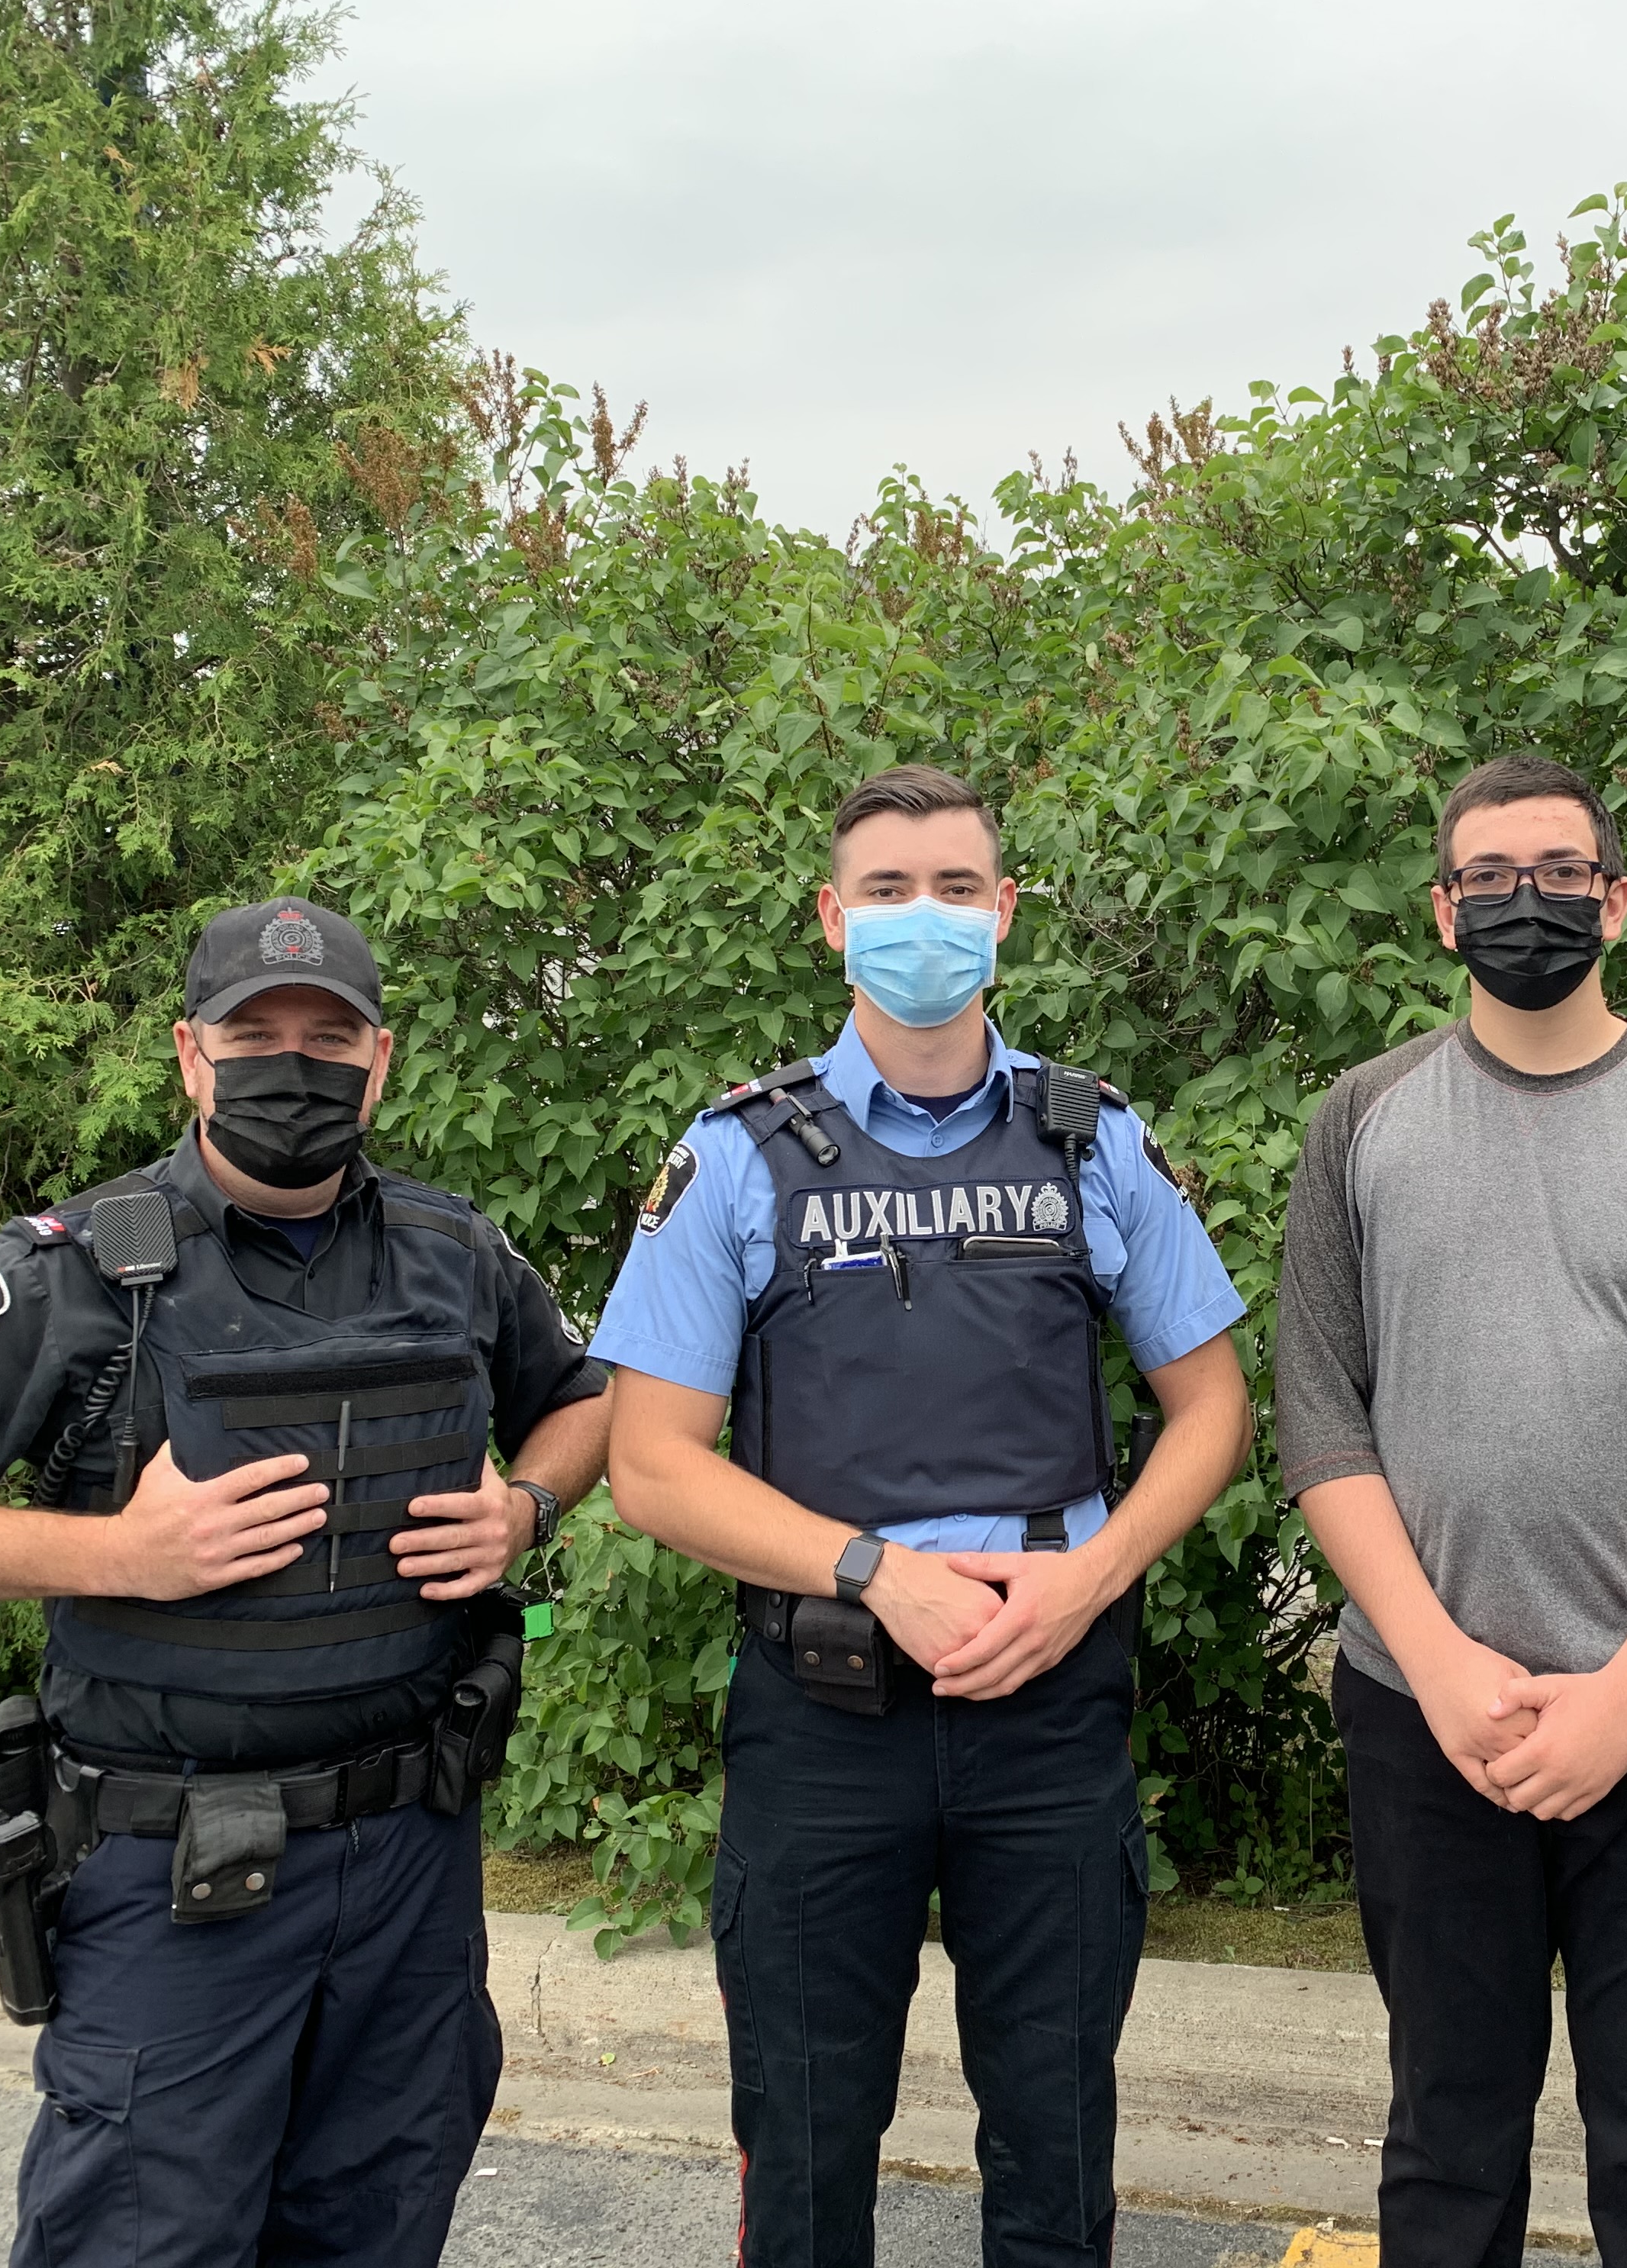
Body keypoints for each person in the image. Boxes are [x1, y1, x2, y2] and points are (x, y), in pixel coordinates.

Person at [0, 897, 611, 2266]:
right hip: (178, 1881)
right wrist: (117, 1553)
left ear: (380, 1061)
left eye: (327, 1036)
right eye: (254, 1033)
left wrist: (527, 1506)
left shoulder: (457, 1254)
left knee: (384, 2223)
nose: (295, 1062)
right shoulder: (74, 1270)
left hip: (412, 1862)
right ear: (190, 1055)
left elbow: (588, 1402)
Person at [593, 763, 1252, 2268]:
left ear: (1004, 915)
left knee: (1053, 2124)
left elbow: (1210, 1411)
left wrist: (1089, 1583)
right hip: (826, 1710)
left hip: (1053, 1698)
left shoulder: (1097, 1141)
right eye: (888, 891)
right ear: (834, 922)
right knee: (808, 2138)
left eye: (957, 888)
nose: (924, 918)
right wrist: (878, 1572)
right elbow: (652, 1465)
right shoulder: (739, 1158)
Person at [1274, 752, 1627, 2268]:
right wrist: (1444, 1669)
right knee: (1449, 2132)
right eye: (1493, 879)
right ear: (1444, 914)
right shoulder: (1358, 1122)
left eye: (1562, 874)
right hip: (1425, 1720)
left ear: (1618, 900)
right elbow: (1322, 1419)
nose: (1530, 903)